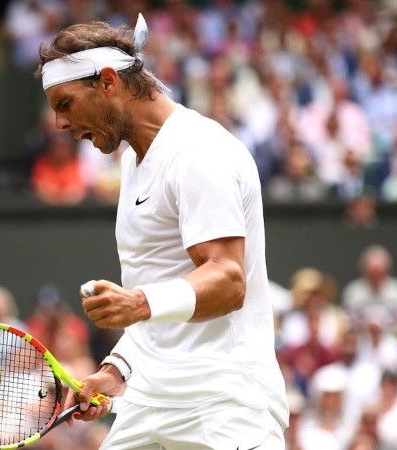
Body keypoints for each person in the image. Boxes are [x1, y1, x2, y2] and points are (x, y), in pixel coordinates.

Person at [35, 14, 288, 448]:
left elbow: (228, 280)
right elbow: (159, 291)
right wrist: (117, 369)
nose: (59, 124)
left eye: (65, 104)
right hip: (149, 400)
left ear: (108, 81)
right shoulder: (134, 161)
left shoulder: (198, 152)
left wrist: (137, 302)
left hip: (223, 403)